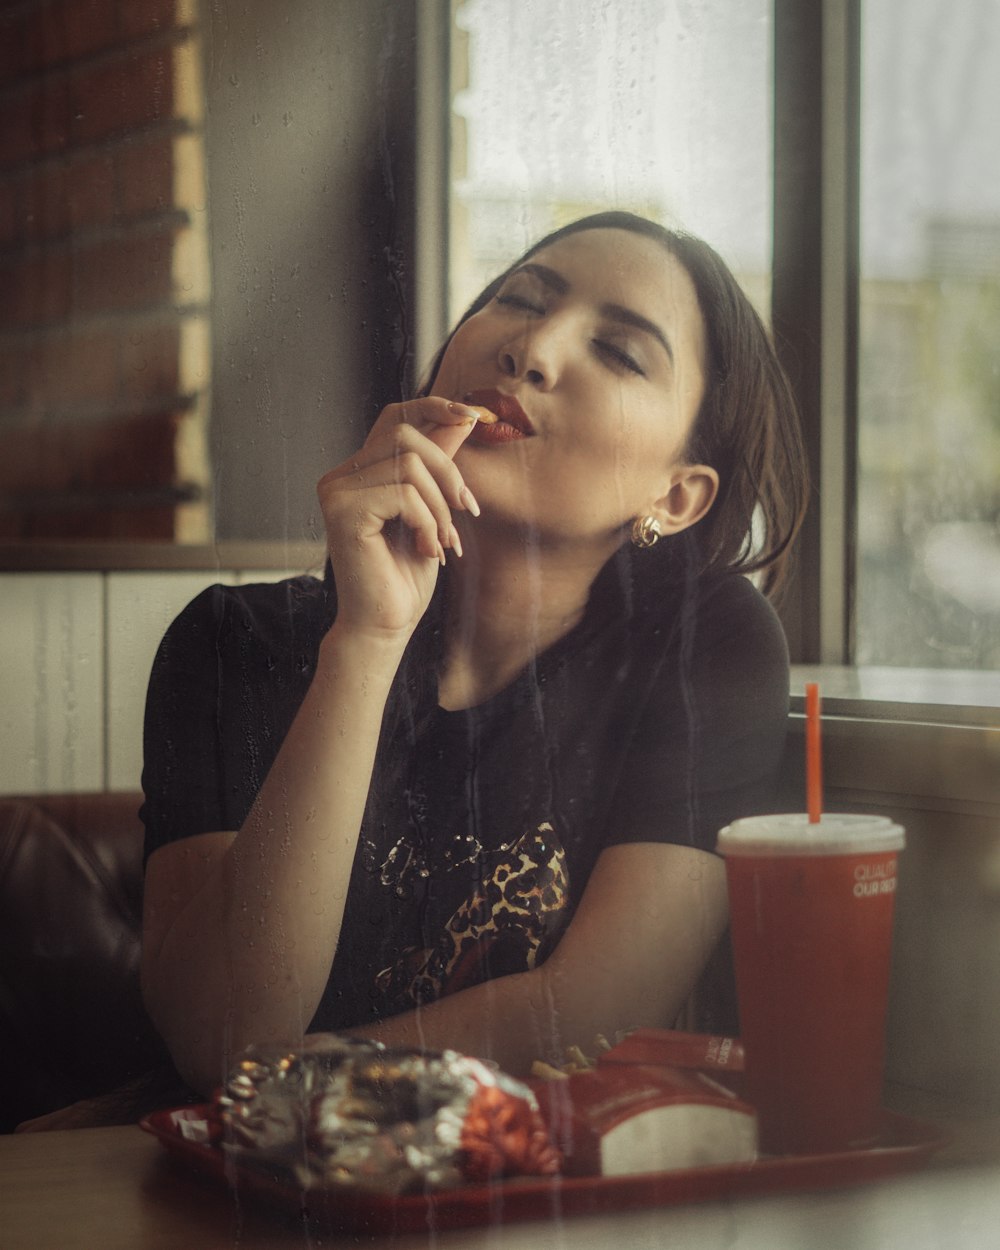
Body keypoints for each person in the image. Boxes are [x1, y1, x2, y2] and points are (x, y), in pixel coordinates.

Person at [140, 211, 808, 1098]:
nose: (532, 348)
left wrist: (270, 1087)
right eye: (519, 298)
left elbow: (593, 1007)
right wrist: (368, 641)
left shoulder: (705, 650)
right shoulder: (232, 642)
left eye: (619, 352)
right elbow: (218, 1033)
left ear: (677, 496)